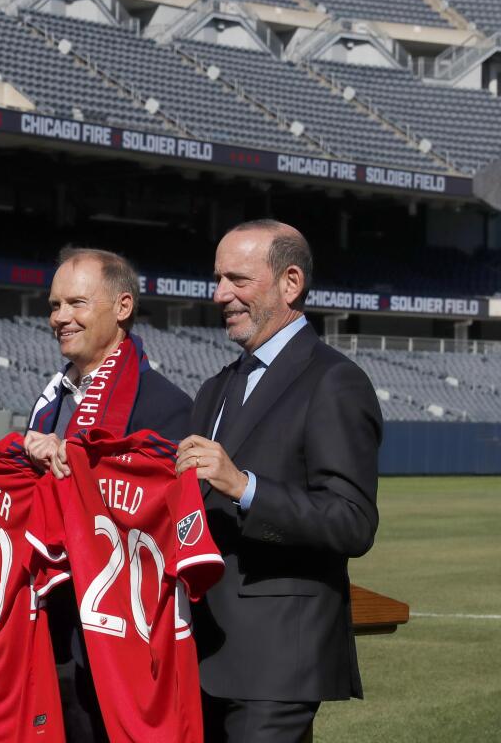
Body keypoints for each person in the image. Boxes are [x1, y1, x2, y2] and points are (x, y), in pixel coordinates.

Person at [0, 247, 193, 742]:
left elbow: (166, 523)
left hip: (120, 642)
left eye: (76, 303)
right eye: (54, 305)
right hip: (47, 633)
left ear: (123, 307)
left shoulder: (167, 406)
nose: (60, 317)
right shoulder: (50, 401)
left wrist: (80, 468)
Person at [174, 219, 382, 742]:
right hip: (200, 648)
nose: (221, 294)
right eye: (218, 279)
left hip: (277, 662)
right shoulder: (215, 387)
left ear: (290, 283)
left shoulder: (335, 380)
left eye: (238, 279)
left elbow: (352, 522)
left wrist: (245, 486)